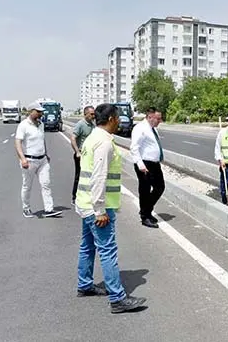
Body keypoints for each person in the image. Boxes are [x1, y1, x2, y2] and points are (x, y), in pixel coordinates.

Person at [75, 103, 146, 314]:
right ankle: (117, 298)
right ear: (112, 119)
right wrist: (100, 210)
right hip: (96, 206)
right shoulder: (104, 143)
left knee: (87, 246)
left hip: (85, 201)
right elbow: (98, 176)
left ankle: (84, 284)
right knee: (107, 250)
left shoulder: (92, 138)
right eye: (118, 118)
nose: (120, 122)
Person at [14, 101, 62, 218]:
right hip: (29, 160)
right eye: (38, 112)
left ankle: (49, 209)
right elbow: (18, 142)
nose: (41, 114)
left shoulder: (41, 124)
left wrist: (46, 153)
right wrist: (22, 159)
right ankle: (26, 208)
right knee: (27, 186)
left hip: (42, 160)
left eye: (41, 112)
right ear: (31, 111)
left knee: (46, 184)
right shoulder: (23, 125)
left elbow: (42, 140)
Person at [130, 107, 165, 228]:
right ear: (150, 117)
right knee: (144, 190)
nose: (160, 121)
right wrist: (140, 165)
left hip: (154, 164)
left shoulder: (152, 129)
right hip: (144, 164)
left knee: (160, 187)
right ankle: (145, 216)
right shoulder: (140, 128)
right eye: (158, 118)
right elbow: (134, 147)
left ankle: (146, 210)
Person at [70, 106, 95, 205]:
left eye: (94, 114)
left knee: (90, 177)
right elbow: (73, 138)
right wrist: (77, 152)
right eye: (91, 114)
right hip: (81, 155)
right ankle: (75, 196)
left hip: (90, 155)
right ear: (86, 114)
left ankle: (87, 195)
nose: (93, 116)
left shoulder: (93, 125)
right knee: (79, 176)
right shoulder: (80, 124)